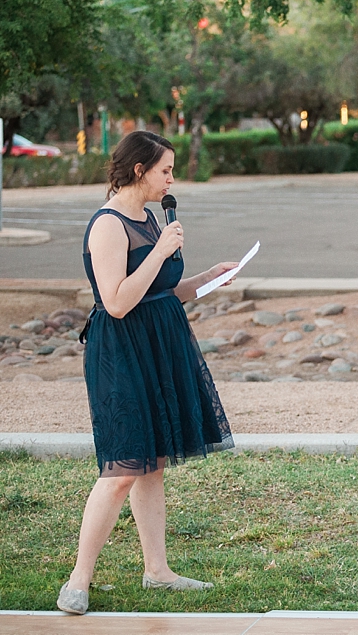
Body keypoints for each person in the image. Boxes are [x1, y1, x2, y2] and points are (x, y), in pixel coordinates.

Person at [57, 131, 237, 615]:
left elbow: (160, 291)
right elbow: (116, 302)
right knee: (122, 468)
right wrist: (160, 251)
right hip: (122, 351)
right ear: (139, 169)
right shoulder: (109, 225)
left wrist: (207, 279)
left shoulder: (151, 218)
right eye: (166, 170)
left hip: (160, 343)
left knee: (152, 462)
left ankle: (157, 571)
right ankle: (78, 578)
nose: (171, 179)